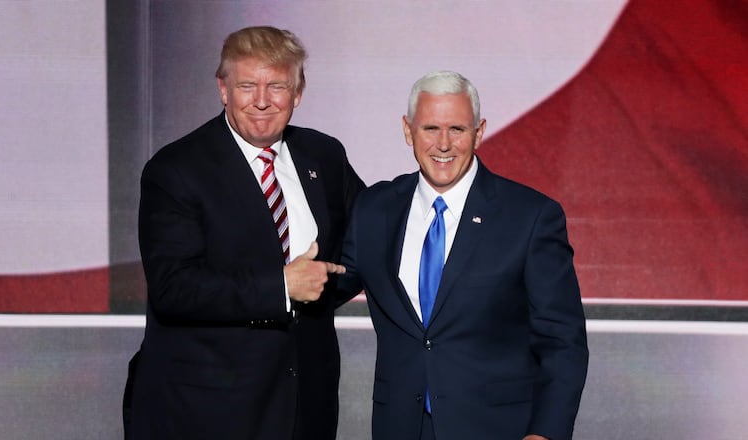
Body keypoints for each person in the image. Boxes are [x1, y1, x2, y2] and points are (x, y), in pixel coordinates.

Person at [123, 26, 365, 440]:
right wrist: (282, 288)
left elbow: (365, 242)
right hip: (206, 409)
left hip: (306, 404)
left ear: (298, 93)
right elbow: (173, 288)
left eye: (277, 86)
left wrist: (318, 290)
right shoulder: (176, 169)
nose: (262, 100)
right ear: (223, 89)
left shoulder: (323, 155)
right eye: (247, 85)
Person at [338, 71, 588, 440]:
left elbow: (562, 341)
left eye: (457, 129)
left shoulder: (530, 216)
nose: (443, 144)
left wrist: (546, 433)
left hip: (496, 429)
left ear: (479, 131)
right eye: (430, 129)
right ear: (408, 131)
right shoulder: (374, 209)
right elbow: (324, 287)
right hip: (401, 428)